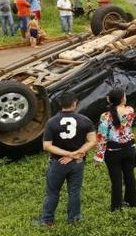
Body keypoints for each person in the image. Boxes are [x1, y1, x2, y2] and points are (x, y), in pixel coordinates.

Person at [34, 91, 96, 227]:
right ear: (75, 103)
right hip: (78, 162)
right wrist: (77, 153)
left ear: (60, 104)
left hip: (58, 163)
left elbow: (47, 146)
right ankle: (74, 219)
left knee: (52, 192)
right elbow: (92, 141)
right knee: (74, 192)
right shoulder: (85, 120)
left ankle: (47, 220)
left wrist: (68, 154)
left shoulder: (51, 122)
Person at [95, 88, 136, 212]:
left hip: (113, 151)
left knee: (116, 180)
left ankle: (116, 207)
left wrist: (99, 156)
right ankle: (132, 202)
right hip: (129, 148)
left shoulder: (105, 116)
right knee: (130, 176)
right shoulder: (130, 110)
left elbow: (101, 137)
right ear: (122, 99)